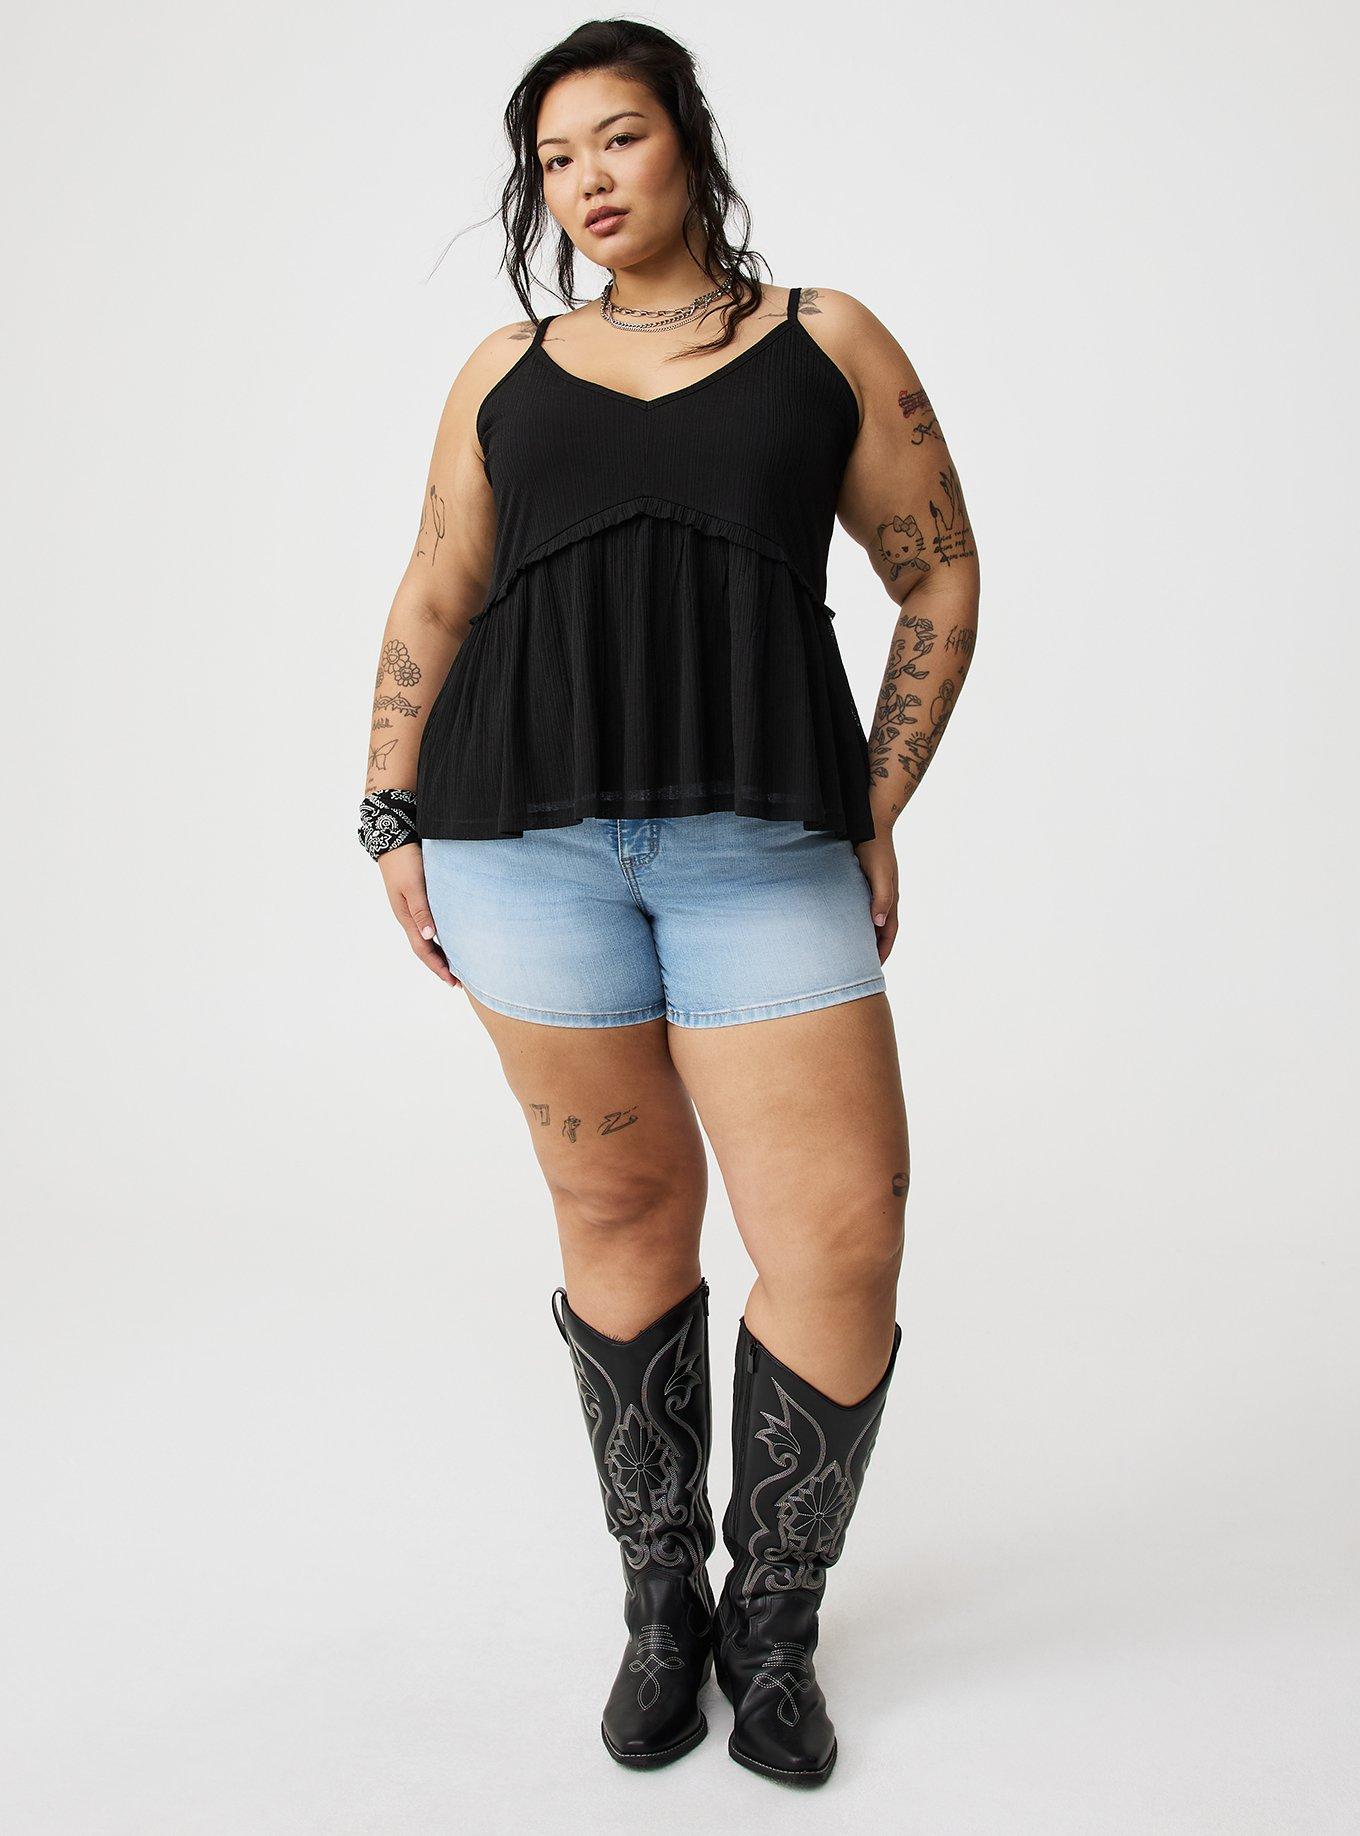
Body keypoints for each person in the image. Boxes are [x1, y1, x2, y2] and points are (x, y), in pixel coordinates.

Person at [357, 19, 980, 1788]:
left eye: (617, 138)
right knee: (619, 1211)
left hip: (757, 845)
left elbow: (938, 574)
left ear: (688, 142)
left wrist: (872, 799)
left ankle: (773, 1624)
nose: (588, 181)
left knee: (841, 1234)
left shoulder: (825, 340)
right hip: (518, 845)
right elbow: (435, 591)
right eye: (555, 160)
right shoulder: (505, 367)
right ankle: (660, 1608)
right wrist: (391, 809)